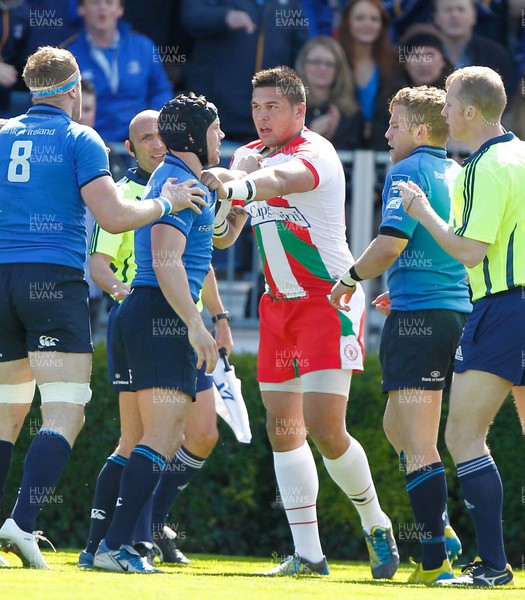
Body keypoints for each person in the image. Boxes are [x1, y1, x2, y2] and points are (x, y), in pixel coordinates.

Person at [0, 46, 204, 570]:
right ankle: (22, 525)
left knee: (5, 416)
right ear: (73, 90)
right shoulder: (80, 137)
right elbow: (113, 218)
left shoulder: (1, 132)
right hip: (53, 280)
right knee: (65, 408)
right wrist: (168, 203)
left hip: (1, 278)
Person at [206, 65, 399, 579]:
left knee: (323, 427)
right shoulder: (249, 156)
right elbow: (228, 238)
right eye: (255, 108)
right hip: (278, 304)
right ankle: (309, 555)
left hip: (327, 299)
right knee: (284, 428)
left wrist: (234, 184)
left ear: (299, 111)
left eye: (273, 107)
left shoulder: (314, 152)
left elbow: (279, 181)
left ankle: (376, 524)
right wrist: (222, 212)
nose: (262, 117)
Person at [78, 109, 232, 568]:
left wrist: (239, 197)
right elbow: (167, 260)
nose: (221, 133)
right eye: (214, 127)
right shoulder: (178, 182)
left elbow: (211, 245)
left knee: (133, 442)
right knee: (163, 438)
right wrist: (195, 322)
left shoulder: (180, 177)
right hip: (158, 312)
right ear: (193, 136)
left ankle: (95, 547)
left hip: (139, 313)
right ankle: (118, 546)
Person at [330, 85, 471, 584]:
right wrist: (403, 284)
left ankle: (435, 558)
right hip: (451, 313)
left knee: (417, 444)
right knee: (398, 428)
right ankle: (444, 533)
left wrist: (349, 279)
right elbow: (452, 248)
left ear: (417, 129)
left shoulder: (407, 171)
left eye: (393, 124)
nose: (387, 133)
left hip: (421, 321)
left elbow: (389, 245)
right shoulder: (456, 172)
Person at [394, 66, 522, 587]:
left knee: (464, 436)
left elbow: (471, 250)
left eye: (448, 104)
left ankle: (492, 566)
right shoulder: (521, 154)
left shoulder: (481, 167)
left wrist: (422, 212)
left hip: (502, 308)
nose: (442, 113)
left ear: (470, 111)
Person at [180, 0, 308, 144]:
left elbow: (301, 50)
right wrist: (225, 17)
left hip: (268, 120)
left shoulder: (289, 4)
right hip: (219, 118)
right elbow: (191, 16)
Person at [62, 0, 173, 142]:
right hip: (88, 144)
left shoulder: (143, 47)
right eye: (95, 2)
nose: (102, 7)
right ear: (80, 9)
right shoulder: (67, 55)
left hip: (139, 143)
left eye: (109, 2)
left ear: (120, 9)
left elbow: (161, 91)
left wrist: (153, 125)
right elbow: (57, 103)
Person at [336, 0, 400, 150]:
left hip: (385, 149)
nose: (367, 24)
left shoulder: (395, 63)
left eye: (374, 19)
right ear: (347, 23)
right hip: (343, 148)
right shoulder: (334, 61)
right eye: (360, 18)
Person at [433, 0, 515, 99]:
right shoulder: (424, 54)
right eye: (448, 10)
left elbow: (506, 97)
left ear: (473, 16)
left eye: (461, 9)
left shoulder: (495, 54)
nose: (454, 15)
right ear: (436, 17)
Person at [295, 35, 364, 149]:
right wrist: (310, 135)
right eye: (316, 61)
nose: (322, 68)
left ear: (338, 70)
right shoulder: (289, 110)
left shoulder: (350, 113)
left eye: (329, 64)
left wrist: (330, 138)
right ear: (303, 65)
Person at [398, 24, 453, 88]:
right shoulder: (388, 95)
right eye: (416, 57)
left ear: (442, 61)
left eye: (430, 55)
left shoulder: (458, 93)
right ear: (405, 63)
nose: (423, 64)